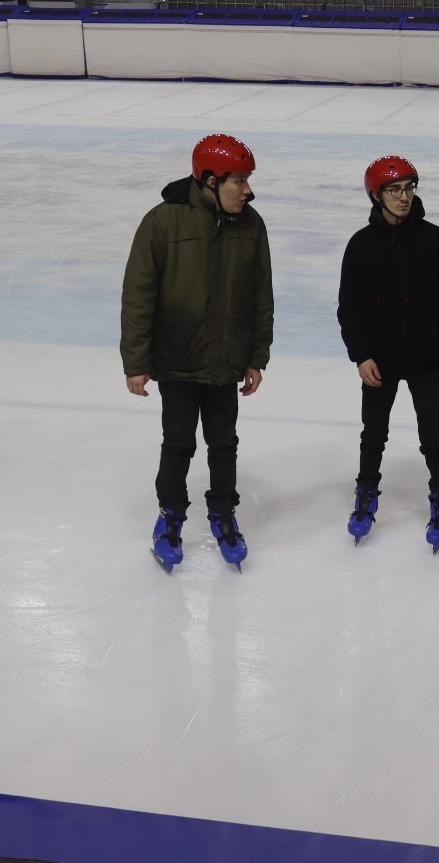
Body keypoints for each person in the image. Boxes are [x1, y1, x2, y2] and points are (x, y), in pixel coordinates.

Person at [121, 135, 274, 573]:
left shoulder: (251, 225)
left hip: (226, 361)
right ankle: (170, 516)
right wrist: (137, 362)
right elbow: (138, 295)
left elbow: (261, 295)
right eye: (238, 180)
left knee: (224, 444)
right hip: (178, 360)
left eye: (247, 180)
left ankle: (223, 513)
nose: (247, 190)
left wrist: (256, 356)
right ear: (210, 181)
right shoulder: (162, 222)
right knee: (179, 444)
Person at [337, 156, 439, 551]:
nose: (404, 197)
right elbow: (349, 308)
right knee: (373, 433)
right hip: (380, 360)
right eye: (394, 190)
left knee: (432, 434)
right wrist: (361, 354)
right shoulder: (361, 246)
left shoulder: (435, 241)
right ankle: (365, 495)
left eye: (409, 188)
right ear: (376, 196)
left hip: (428, 358)